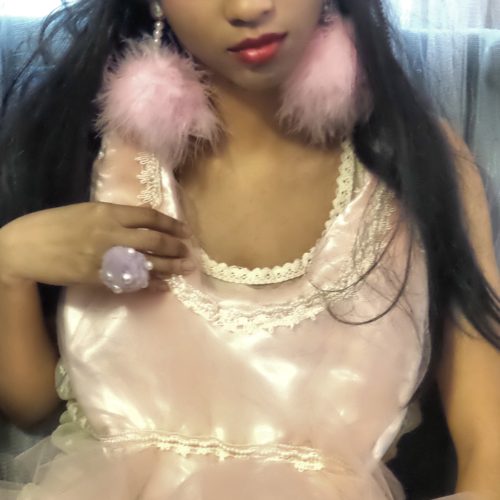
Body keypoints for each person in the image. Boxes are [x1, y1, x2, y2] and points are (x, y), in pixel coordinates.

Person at [0, 0, 499, 498]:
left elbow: (489, 442)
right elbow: (32, 405)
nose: (249, 7)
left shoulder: (418, 162)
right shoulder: (95, 150)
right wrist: (10, 260)